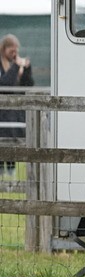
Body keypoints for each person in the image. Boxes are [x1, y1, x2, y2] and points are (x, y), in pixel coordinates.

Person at [0, 34, 34, 174]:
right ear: (3, 49)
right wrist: (16, 66)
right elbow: (4, 84)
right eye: (11, 51)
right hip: (2, 114)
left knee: (12, 148)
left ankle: (11, 181)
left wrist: (27, 69)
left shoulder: (14, 65)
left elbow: (27, 85)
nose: (14, 54)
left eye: (16, 51)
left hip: (13, 115)